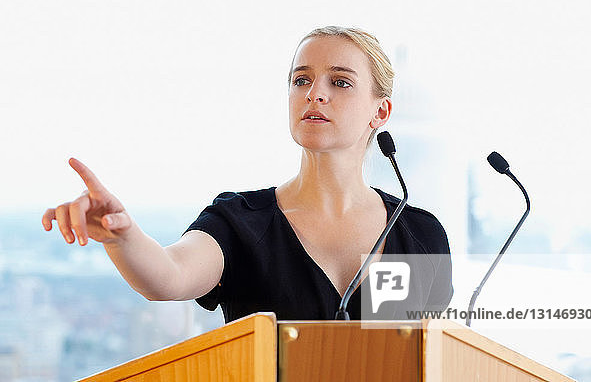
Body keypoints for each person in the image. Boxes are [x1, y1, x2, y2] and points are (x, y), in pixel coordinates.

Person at [42, 26, 452, 323]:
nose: (314, 93)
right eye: (301, 80)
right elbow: (169, 276)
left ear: (380, 112)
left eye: (340, 82)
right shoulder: (241, 221)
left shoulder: (417, 234)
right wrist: (123, 236)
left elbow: (423, 359)